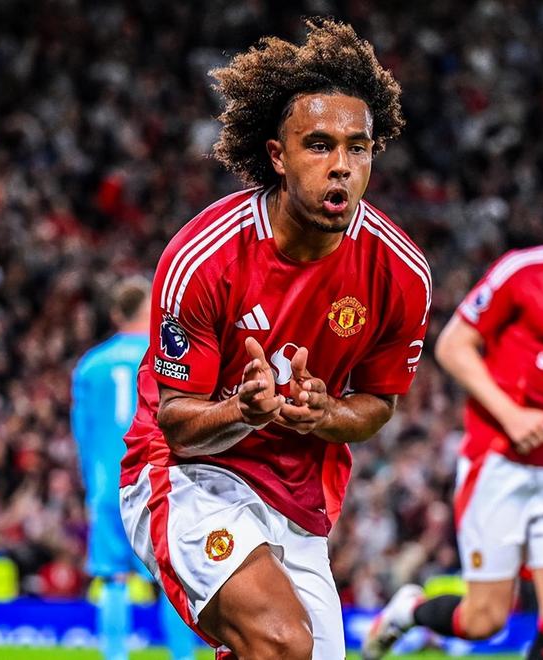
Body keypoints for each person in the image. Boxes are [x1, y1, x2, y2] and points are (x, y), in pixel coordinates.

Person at [118, 17, 431, 660]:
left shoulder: (402, 273)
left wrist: (326, 413)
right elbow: (177, 426)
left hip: (296, 493)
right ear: (278, 156)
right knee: (282, 640)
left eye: (358, 148)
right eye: (318, 145)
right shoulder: (203, 258)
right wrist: (242, 410)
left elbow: (378, 404)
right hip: (186, 475)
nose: (340, 166)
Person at [363, 162, 543, 660]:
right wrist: (511, 415)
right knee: (484, 620)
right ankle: (410, 611)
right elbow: (453, 346)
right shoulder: (523, 272)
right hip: (499, 462)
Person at [71, 276, 196, 660]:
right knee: (172, 580)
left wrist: (92, 486)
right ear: (150, 309)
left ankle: (114, 656)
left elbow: (82, 435)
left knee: (113, 578)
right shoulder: (167, 358)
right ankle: (182, 657)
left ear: (115, 314)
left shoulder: (90, 365)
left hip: (107, 485)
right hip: (158, 483)